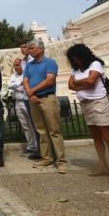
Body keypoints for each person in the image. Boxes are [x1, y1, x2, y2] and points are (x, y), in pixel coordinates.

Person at [66, 44, 109, 184]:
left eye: (77, 57)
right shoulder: (77, 69)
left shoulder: (95, 64)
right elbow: (70, 86)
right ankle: (103, 165)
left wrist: (78, 82)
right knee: (96, 136)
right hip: (85, 103)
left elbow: (91, 81)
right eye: (73, 58)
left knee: (107, 136)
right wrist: (83, 83)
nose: (76, 60)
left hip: (98, 102)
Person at [23, 40, 67, 173]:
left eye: (32, 48)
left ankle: (61, 161)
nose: (29, 51)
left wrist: (32, 90)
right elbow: (25, 81)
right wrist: (30, 94)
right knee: (41, 130)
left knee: (54, 130)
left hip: (47, 98)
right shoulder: (29, 65)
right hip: (34, 99)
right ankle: (47, 157)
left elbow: (50, 80)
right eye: (29, 48)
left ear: (40, 49)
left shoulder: (50, 62)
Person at [8, 58, 40, 160]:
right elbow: (9, 85)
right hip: (18, 102)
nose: (16, 67)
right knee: (25, 125)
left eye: (18, 65)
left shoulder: (26, 75)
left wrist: (17, 86)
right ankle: (30, 146)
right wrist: (19, 85)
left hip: (27, 101)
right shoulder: (13, 76)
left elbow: (26, 87)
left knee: (33, 124)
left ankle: (37, 146)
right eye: (15, 65)